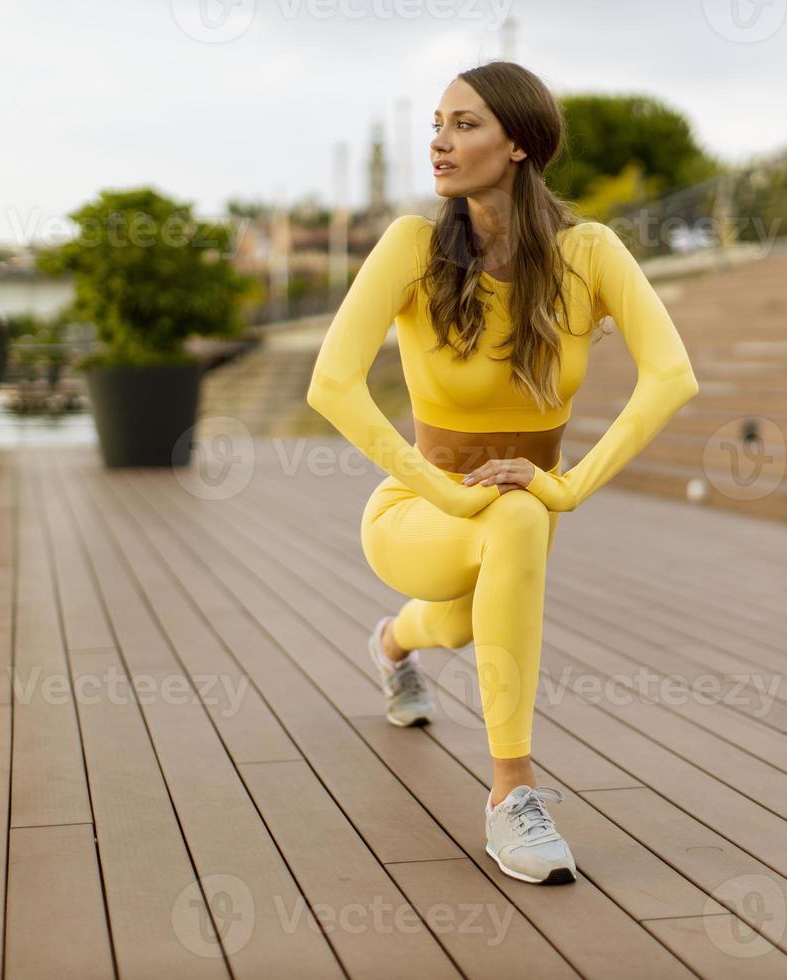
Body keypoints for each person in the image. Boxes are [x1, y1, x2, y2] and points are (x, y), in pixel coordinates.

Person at [305, 61, 699, 885]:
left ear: (519, 143)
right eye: (437, 125)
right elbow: (330, 386)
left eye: (465, 124)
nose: (440, 143)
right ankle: (511, 792)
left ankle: (389, 644)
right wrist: (447, 490)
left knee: (453, 625)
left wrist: (568, 486)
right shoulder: (412, 246)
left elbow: (673, 377)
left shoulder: (589, 252)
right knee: (511, 521)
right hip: (418, 506)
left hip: (525, 507)